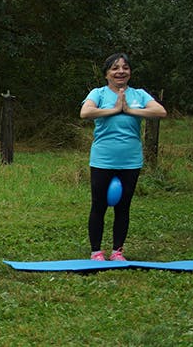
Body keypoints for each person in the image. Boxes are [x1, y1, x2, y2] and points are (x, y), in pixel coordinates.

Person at [79, 53, 166, 261]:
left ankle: (118, 251)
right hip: (102, 159)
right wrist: (114, 109)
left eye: (125, 68)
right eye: (115, 68)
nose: (120, 71)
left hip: (130, 160)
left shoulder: (139, 95)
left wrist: (129, 110)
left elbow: (160, 112)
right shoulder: (98, 93)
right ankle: (96, 252)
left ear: (130, 72)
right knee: (98, 205)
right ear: (107, 73)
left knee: (123, 207)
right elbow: (85, 112)